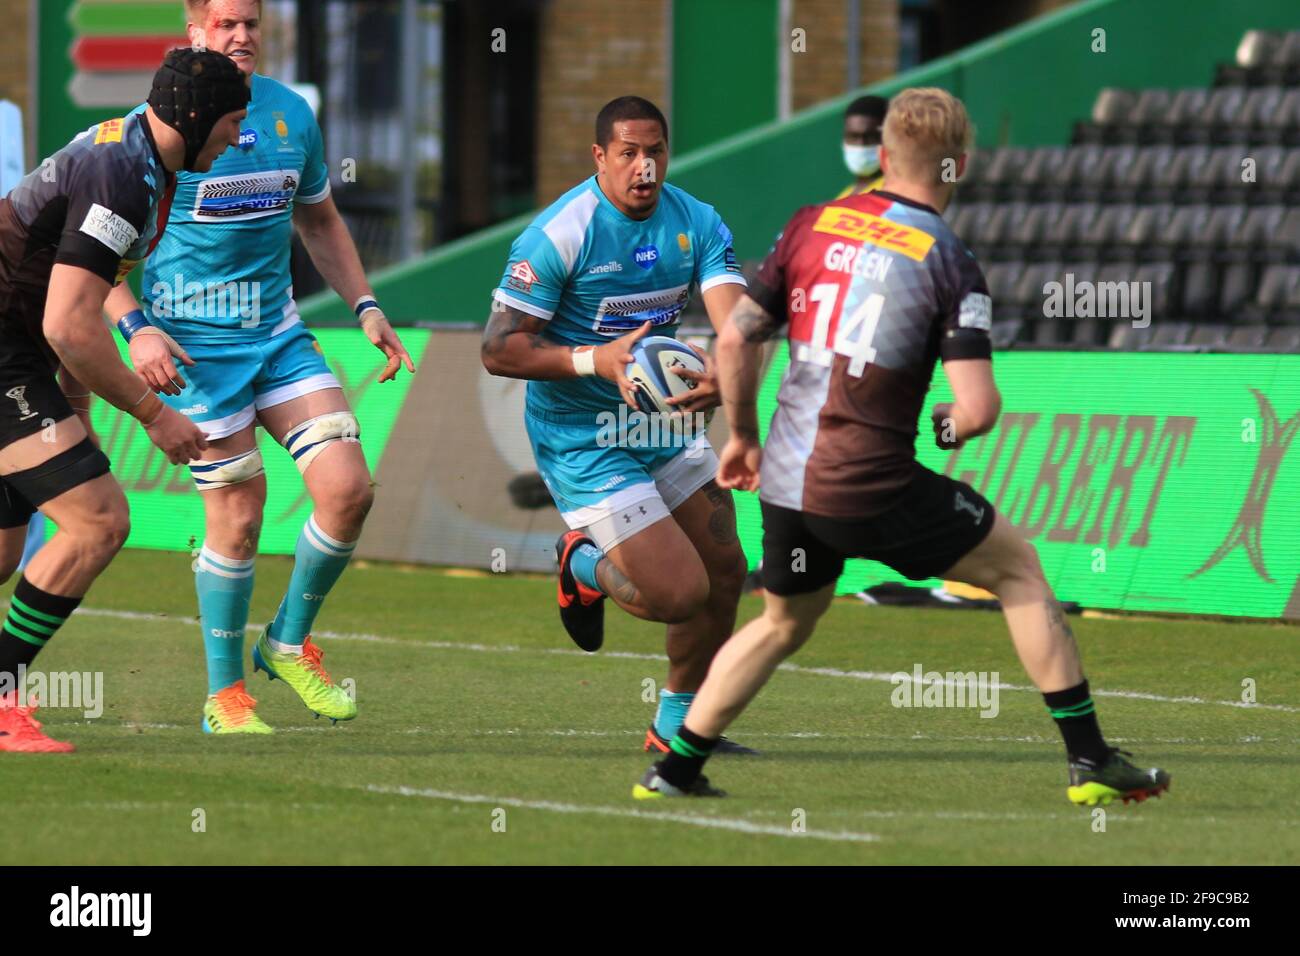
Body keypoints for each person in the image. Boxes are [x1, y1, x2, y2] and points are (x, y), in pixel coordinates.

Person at [633, 87, 1171, 808]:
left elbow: (734, 337)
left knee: (785, 620)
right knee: (1019, 571)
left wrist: (744, 438)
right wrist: (951, 424)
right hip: (867, 483)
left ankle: (673, 771)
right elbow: (978, 408)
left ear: (882, 158)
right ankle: (1090, 758)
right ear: (959, 167)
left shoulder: (811, 225)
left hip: (790, 483)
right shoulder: (950, 260)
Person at [104, 0, 414, 735]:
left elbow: (319, 219)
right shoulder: (146, 129)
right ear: (195, 32)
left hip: (276, 336)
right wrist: (137, 328)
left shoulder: (288, 115)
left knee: (347, 490)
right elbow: (94, 256)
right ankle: (224, 696)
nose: (241, 35)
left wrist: (365, 303)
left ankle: (286, 640)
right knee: (238, 518)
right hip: (192, 355)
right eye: (226, 24)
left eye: (251, 23)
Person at [482, 96, 756, 754]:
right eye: (629, 153)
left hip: (659, 425)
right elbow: (498, 351)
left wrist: (729, 368)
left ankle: (678, 730)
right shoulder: (559, 235)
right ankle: (582, 564)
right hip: (582, 439)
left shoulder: (696, 222)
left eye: (656, 151)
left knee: (725, 569)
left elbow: (738, 320)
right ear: (599, 157)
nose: (646, 167)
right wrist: (593, 360)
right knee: (678, 593)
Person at [0, 48, 247, 752]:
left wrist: (74, 403)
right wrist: (154, 414)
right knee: (99, 521)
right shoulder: (124, 173)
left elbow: (76, 284)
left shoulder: (143, 160)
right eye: (231, 123)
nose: (235, 139)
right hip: (7, 351)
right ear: (195, 117)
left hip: (22, 351)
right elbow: (68, 322)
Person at [836, 95, 888, 198]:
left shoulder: (894, 193)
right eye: (853, 136)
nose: (861, 144)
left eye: (871, 136)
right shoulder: (842, 197)